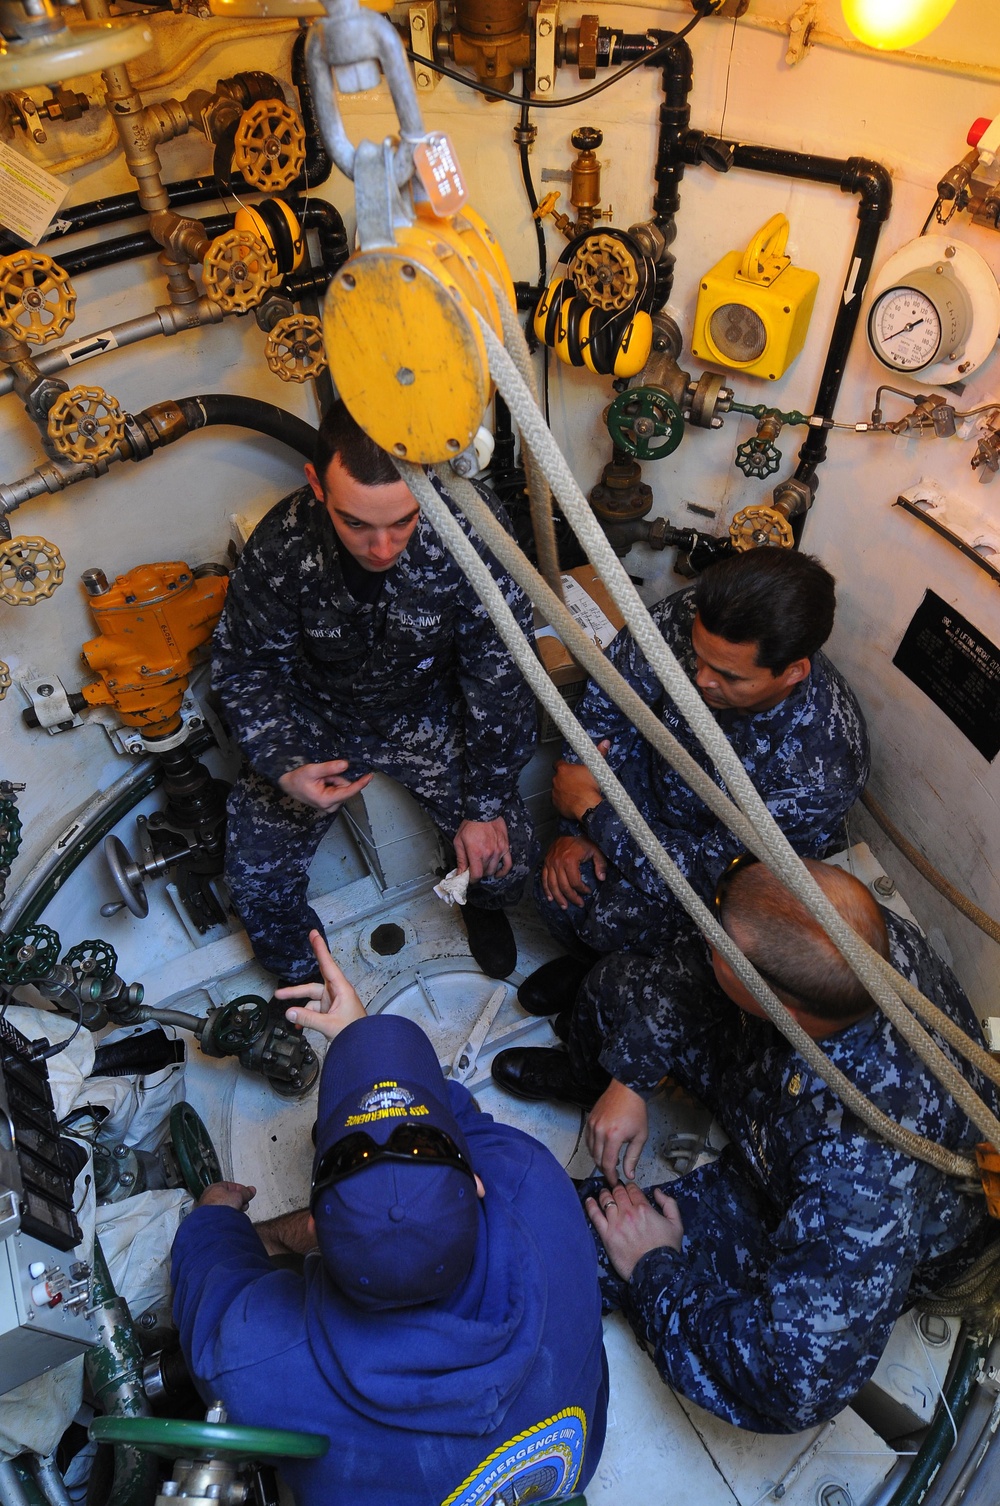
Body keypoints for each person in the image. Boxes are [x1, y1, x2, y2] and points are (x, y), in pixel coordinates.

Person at [171, 932, 609, 1506]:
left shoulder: (254, 1358)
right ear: (476, 1184)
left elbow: (208, 1289)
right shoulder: (536, 1187)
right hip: (567, 1466)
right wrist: (365, 1038)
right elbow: (460, 1118)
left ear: (316, 1240)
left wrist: (214, 1220)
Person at [570, 859, 996, 1434]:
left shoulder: (863, 1178)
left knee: (583, 1244)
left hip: (807, 1185)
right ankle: (595, 1085)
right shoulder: (848, 936)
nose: (705, 935)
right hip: (776, 1091)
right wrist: (630, 1080)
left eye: (720, 947)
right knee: (614, 995)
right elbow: (705, 960)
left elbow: (793, 1380)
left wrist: (653, 1267)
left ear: (777, 1007)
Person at [212, 400, 538, 984]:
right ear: (317, 485)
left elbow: (503, 675)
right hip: (319, 718)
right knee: (255, 880)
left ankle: (482, 909)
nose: (382, 548)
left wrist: (484, 806)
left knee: (503, 864)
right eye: (357, 523)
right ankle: (307, 982)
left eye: (403, 522)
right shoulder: (284, 544)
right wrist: (286, 765)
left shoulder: (471, 530)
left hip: (430, 709)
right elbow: (245, 666)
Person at [512, 548, 870, 1031]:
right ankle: (587, 964)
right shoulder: (697, 617)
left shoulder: (821, 766)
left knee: (609, 918)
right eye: (699, 658)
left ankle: (606, 977)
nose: (701, 678)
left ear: (792, 672)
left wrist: (594, 817)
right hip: (644, 791)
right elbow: (606, 709)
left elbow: (716, 877)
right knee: (557, 883)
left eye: (728, 676)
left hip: (705, 865)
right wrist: (576, 819)